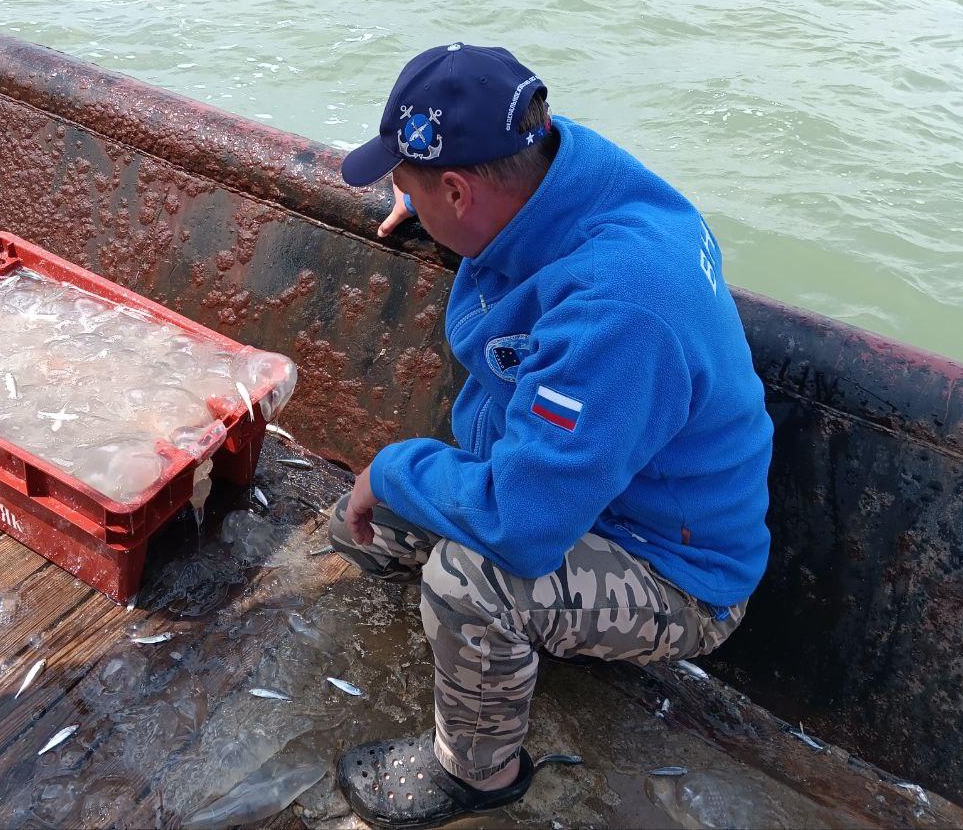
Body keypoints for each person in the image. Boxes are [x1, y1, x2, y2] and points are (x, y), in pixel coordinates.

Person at [328, 43, 774, 829]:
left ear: (462, 189)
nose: (401, 196)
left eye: (407, 185)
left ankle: (478, 774)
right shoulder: (558, 170)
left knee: (471, 579)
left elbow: (520, 526)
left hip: (675, 566)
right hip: (592, 479)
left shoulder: (619, 306)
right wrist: (431, 210)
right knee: (361, 532)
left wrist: (394, 469)